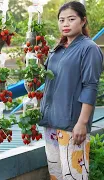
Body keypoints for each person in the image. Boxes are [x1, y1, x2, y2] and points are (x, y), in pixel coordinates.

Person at [39, 1, 103, 180]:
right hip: (51, 123)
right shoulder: (57, 50)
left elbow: (90, 87)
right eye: (61, 20)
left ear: (83, 21)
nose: (65, 24)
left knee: (74, 175)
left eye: (71, 19)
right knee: (56, 174)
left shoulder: (89, 49)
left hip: (72, 125)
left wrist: (82, 123)